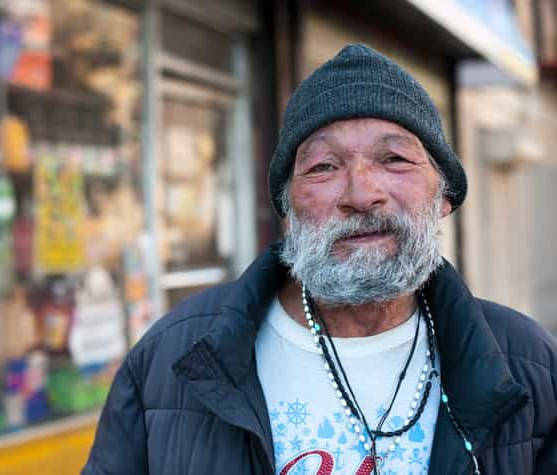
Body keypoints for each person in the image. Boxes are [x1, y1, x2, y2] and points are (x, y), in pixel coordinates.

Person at [82, 44, 557, 475]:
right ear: (288, 210)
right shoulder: (172, 358)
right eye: (324, 167)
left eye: (394, 159)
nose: (362, 194)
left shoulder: (529, 365)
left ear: (445, 195)